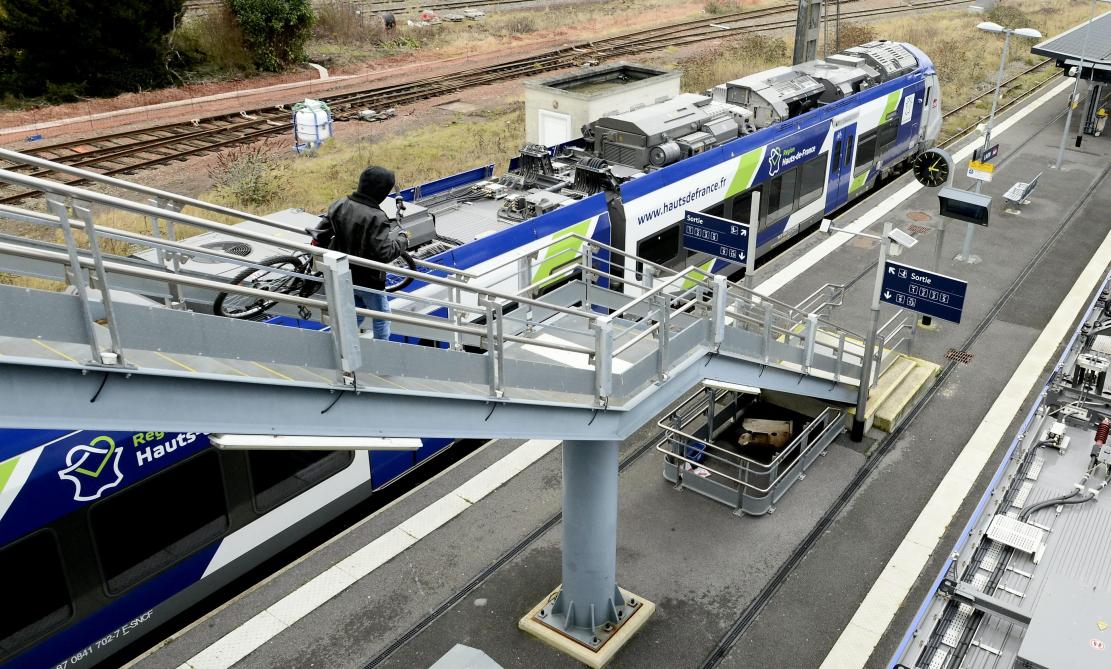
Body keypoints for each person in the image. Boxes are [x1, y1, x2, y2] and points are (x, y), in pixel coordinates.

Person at [321, 166, 408, 340]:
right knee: (382, 316)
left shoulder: (340, 203)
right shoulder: (376, 217)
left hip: (343, 272)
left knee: (355, 311)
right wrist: (403, 240)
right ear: (381, 193)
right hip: (369, 279)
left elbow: (322, 233)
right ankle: (382, 350)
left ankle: (338, 342)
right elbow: (385, 253)